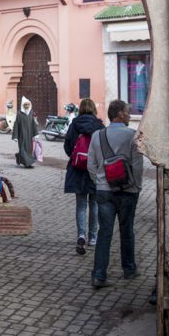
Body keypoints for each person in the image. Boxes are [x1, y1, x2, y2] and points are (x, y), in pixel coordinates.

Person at [86, 99, 144, 289]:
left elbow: (90, 165)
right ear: (119, 114)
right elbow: (137, 165)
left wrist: (100, 181)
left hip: (104, 191)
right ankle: (129, 269)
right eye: (127, 111)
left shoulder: (97, 135)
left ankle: (99, 275)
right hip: (127, 191)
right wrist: (136, 187)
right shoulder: (131, 136)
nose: (129, 114)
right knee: (127, 231)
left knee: (104, 233)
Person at [64, 98, 105, 256]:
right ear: (94, 108)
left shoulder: (74, 125)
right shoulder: (99, 125)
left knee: (81, 205)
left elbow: (67, 145)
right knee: (94, 204)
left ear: (80, 109)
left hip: (77, 170)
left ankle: (81, 235)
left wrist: (74, 158)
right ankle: (93, 237)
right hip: (95, 170)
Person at [11, 96, 38, 168]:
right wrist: (15, 136)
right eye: (25, 105)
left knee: (29, 149)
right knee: (23, 148)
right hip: (21, 135)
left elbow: (33, 124)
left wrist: (35, 135)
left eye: (28, 104)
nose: (27, 106)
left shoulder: (31, 113)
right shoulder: (19, 114)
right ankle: (27, 164)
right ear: (22, 105)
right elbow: (16, 125)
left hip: (30, 135)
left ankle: (19, 157)